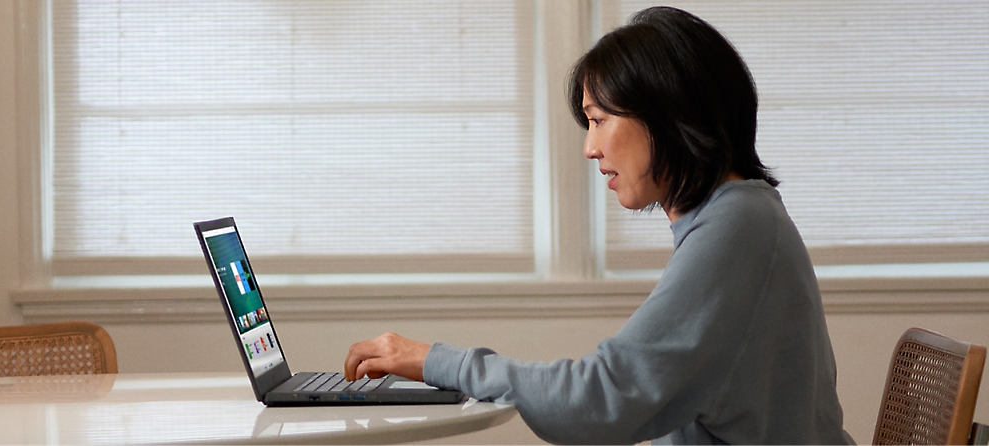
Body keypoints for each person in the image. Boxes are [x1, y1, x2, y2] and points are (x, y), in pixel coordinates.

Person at [344, 6, 853, 445]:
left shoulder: (737, 226)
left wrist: (435, 360)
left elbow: (601, 399)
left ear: (667, 112)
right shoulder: (742, 217)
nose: (590, 147)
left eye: (599, 119)